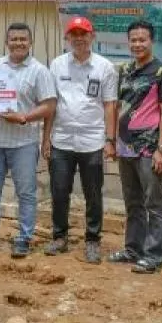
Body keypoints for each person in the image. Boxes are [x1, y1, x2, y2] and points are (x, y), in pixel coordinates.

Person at [0, 22, 57, 258]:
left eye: (23, 39)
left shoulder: (39, 71)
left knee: (26, 193)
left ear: (30, 42)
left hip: (23, 144)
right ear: (7, 42)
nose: (18, 43)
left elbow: (49, 106)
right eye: (14, 39)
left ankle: (24, 238)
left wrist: (24, 117)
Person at [42, 16, 118, 264]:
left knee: (93, 193)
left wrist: (110, 140)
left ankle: (93, 240)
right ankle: (59, 236)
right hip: (62, 140)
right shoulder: (57, 65)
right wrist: (46, 138)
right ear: (67, 38)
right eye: (73, 34)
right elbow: (51, 104)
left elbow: (110, 105)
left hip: (92, 141)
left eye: (83, 34)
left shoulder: (105, 67)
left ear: (92, 36)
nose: (78, 38)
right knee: (59, 191)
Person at [108, 19, 162, 274]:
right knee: (132, 201)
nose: (137, 44)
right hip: (125, 148)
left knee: (153, 202)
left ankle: (154, 255)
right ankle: (133, 249)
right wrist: (112, 141)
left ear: (152, 41)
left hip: (149, 149)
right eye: (133, 40)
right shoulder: (124, 70)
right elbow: (116, 107)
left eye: (142, 40)